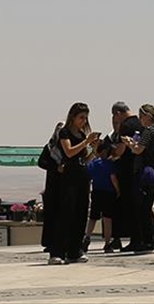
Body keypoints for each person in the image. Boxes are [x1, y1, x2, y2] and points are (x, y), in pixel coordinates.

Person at [49, 102, 100, 265]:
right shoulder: (65, 132)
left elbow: (85, 158)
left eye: (86, 118)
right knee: (66, 214)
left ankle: (75, 250)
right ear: (73, 117)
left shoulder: (81, 133)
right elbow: (69, 152)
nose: (84, 121)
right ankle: (57, 251)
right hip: (69, 177)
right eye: (81, 117)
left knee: (80, 213)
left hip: (82, 176)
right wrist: (86, 143)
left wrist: (94, 150)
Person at [123, 103, 154, 254]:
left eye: (141, 116)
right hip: (153, 170)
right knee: (147, 208)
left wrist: (129, 144)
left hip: (145, 172)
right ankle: (152, 240)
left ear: (147, 116)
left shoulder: (148, 131)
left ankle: (147, 242)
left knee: (143, 209)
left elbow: (139, 150)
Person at [108, 101, 143, 252]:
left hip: (128, 171)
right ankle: (143, 240)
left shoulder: (126, 126)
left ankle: (135, 241)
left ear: (118, 113)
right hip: (139, 168)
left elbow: (121, 151)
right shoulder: (140, 123)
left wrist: (112, 153)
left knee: (131, 208)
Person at [84, 139, 120, 254]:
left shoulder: (93, 164)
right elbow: (113, 178)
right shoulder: (110, 164)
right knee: (107, 219)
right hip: (108, 193)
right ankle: (107, 243)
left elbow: (88, 177)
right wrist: (118, 190)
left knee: (93, 217)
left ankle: (87, 238)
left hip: (96, 192)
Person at [39, 121, 64, 253]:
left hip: (65, 184)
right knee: (51, 215)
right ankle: (50, 242)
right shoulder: (49, 147)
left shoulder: (68, 146)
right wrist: (55, 167)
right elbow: (41, 162)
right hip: (52, 184)